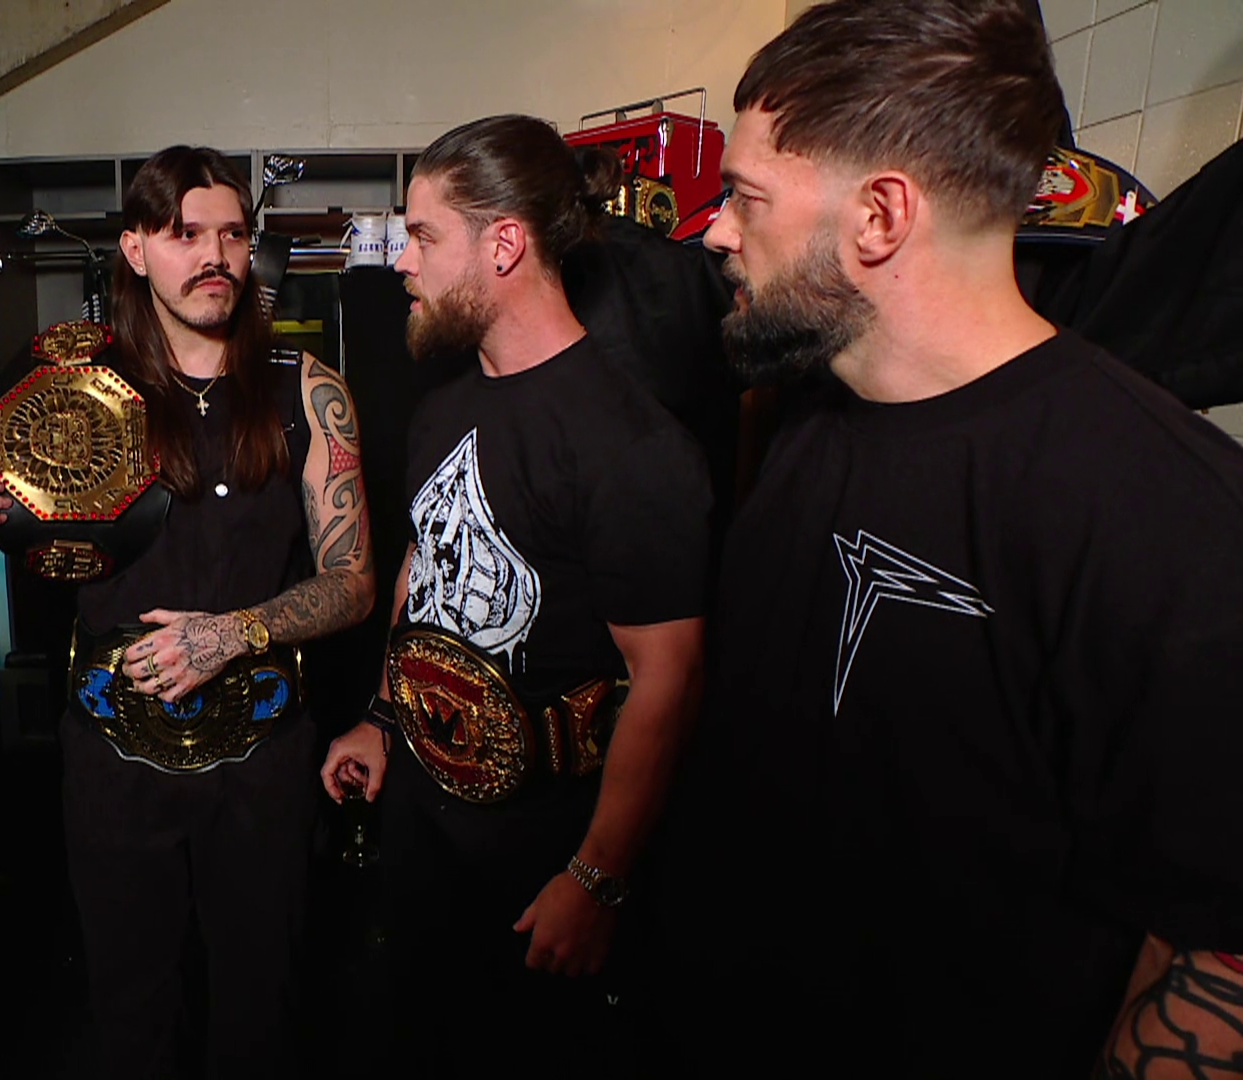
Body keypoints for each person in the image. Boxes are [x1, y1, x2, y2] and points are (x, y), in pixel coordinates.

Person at [645, 2, 1243, 1076]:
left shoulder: (1169, 513)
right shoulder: (806, 429)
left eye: (745, 197)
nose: (717, 233)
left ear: (880, 216)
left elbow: (1214, 946)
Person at [0, 144, 375, 1079]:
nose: (214, 256)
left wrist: (235, 631)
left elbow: (353, 581)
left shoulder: (307, 389)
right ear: (137, 248)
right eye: (185, 234)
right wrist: (1, 511)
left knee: (262, 1009)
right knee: (131, 1011)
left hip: (262, 758)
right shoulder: (69, 393)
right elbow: (35, 547)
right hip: (112, 760)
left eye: (232, 233)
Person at [318, 114, 713, 1074]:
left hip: (543, 858)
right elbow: (423, 573)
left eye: (423, 236)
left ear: (503, 245)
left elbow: (667, 679)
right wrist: (380, 717)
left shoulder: (629, 445)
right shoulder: (440, 407)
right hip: (424, 832)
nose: (400, 262)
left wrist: (598, 878)